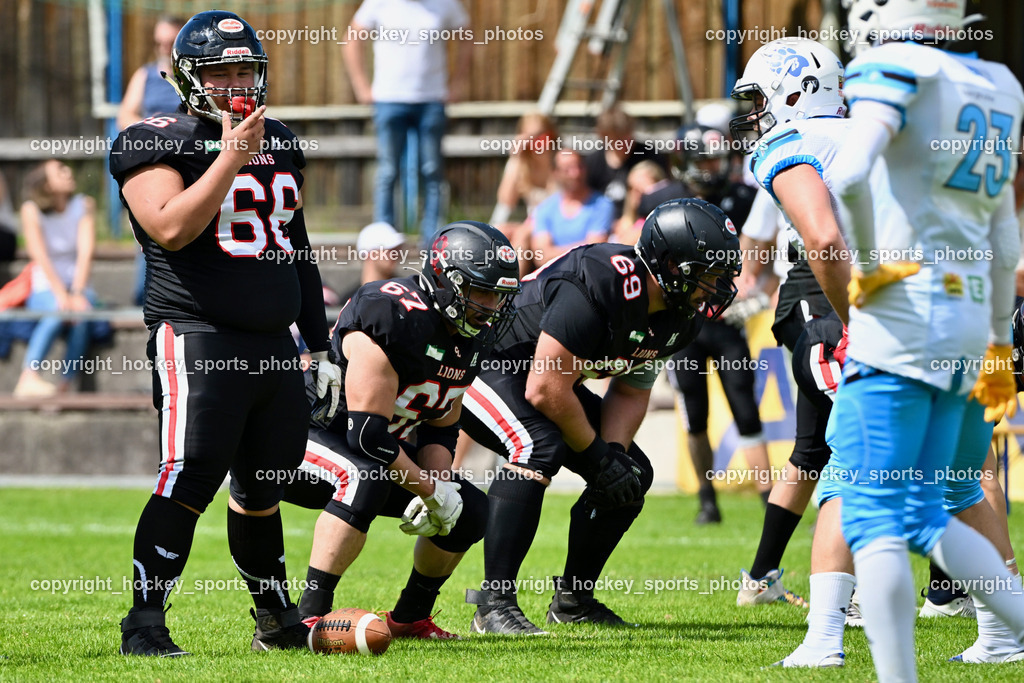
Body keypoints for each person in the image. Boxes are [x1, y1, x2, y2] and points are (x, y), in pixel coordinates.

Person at [108, 11, 341, 657]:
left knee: (262, 487)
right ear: (189, 78)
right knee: (189, 476)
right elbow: (170, 226)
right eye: (219, 71)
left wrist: (319, 346)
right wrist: (231, 155)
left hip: (273, 343)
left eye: (245, 69)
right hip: (199, 334)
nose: (235, 82)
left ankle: (276, 617)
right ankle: (145, 624)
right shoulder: (154, 138)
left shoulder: (282, 139)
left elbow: (296, 247)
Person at [828, 1, 1024, 679]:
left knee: (874, 510)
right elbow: (1005, 233)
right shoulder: (1000, 81)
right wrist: (998, 339)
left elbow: (848, 172)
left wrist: (869, 259)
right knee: (931, 502)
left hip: (905, 310)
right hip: (969, 315)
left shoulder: (895, 65)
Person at [461, 197, 742, 634]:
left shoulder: (680, 316)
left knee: (631, 475)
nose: (717, 286)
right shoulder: (601, 278)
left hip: (546, 381)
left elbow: (631, 390)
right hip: (489, 363)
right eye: (707, 273)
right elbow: (545, 387)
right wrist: (597, 457)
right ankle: (493, 604)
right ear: (670, 264)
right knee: (538, 446)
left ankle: (574, 601)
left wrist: (611, 457)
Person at [281, 221, 520, 639]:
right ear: (448, 282)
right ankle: (308, 616)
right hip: (296, 441)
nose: (493, 306)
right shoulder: (389, 312)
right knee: (364, 475)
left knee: (469, 510)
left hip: (372, 452)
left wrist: (440, 488)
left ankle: (410, 617)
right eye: (483, 292)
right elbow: (367, 436)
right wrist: (427, 490)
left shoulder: (471, 335)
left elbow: (442, 426)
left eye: (500, 295)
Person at [728, 37, 852, 608]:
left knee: (819, 449)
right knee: (861, 447)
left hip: (824, 293)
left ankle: (764, 577)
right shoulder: (861, 136)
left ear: (797, 90)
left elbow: (816, 237)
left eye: (759, 98)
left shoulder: (796, 143)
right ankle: (855, 591)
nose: (752, 113)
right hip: (837, 294)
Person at [666, 123, 772, 523]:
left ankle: (768, 501)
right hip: (682, 326)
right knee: (694, 416)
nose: (714, 167)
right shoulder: (665, 201)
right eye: (705, 159)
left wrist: (756, 292)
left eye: (717, 158)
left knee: (746, 410)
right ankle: (707, 500)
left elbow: (770, 248)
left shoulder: (743, 198)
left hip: (726, 320)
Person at [343, 0, 471, 243]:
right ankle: (384, 240)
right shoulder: (378, 4)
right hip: (389, 100)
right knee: (388, 171)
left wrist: (458, 83)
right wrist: (361, 85)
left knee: (432, 171)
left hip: (431, 100)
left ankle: (433, 241)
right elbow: (351, 40)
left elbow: (467, 37)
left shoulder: (444, 4)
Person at [116, 14, 186, 307]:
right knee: (148, 227)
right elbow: (125, 116)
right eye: (159, 43)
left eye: (170, 42)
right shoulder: (145, 75)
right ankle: (144, 297)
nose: (163, 48)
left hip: (190, 161)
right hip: (156, 158)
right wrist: (159, 132)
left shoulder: (195, 77)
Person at [14, 161, 96, 398]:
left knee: (82, 314)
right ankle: (28, 376)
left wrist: (78, 293)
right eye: (60, 170)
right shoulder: (31, 210)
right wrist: (61, 295)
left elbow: (85, 253)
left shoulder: (84, 205)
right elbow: (39, 256)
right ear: (46, 185)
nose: (68, 172)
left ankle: (65, 384)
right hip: (44, 286)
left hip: (78, 285)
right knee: (57, 309)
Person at [491, 112, 560, 274]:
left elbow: (558, 204)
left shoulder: (560, 161)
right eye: (531, 139)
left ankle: (514, 291)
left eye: (543, 137)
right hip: (534, 224)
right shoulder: (521, 164)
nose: (538, 144)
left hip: (557, 223)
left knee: (522, 236)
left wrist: (545, 158)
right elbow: (506, 201)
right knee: (496, 232)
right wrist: (515, 159)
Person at [530, 150, 614, 267]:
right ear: (556, 173)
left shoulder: (602, 204)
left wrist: (553, 252)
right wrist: (581, 247)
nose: (575, 173)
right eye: (567, 169)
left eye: (579, 167)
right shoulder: (545, 208)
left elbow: (594, 250)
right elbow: (541, 256)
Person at [583, 104, 668, 219]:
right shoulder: (593, 162)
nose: (625, 142)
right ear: (604, 137)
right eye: (616, 139)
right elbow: (587, 201)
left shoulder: (650, 155)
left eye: (627, 135)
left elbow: (663, 195)